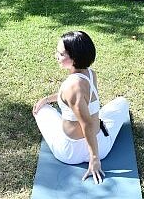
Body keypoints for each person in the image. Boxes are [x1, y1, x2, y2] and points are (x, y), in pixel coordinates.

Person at [33, 31, 130, 184]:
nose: (56, 56)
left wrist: (95, 160)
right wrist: (48, 98)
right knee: (122, 102)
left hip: (70, 152)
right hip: (101, 144)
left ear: (75, 58)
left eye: (61, 53)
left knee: (41, 110)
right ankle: (94, 153)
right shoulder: (91, 74)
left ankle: (91, 157)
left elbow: (86, 125)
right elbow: (75, 100)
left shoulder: (71, 87)